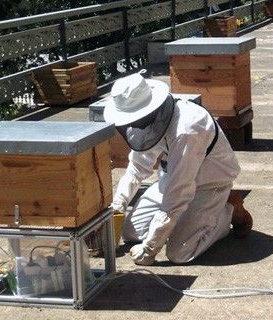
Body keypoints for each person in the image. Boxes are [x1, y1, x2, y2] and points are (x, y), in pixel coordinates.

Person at [104, 70, 253, 266]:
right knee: (132, 232)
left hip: (209, 184)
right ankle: (191, 220)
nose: (134, 125)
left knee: (180, 253)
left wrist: (150, 249)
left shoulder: (188, 129)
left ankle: (228, 208)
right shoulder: (147, 122)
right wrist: (118, 204)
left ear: (150, 109)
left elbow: (177, 196)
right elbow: (138, 167)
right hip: (172, 180)